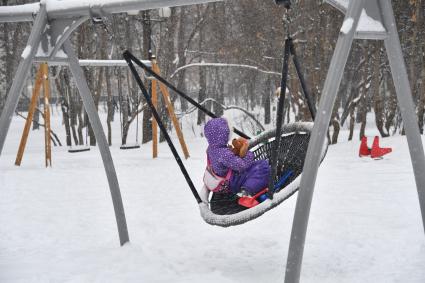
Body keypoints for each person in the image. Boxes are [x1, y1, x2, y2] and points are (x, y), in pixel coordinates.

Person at [204, 118, 270, 195]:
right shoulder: (223, 153)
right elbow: (241, 165)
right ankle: (247, 190)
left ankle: (249, 186)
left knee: (257, 166)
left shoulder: (211, 149)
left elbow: (225, 162)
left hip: (224, 179)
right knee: (262, 166)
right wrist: (249, 154)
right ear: (223, 135)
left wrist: (231, 152)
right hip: (232, 182)